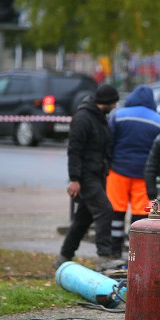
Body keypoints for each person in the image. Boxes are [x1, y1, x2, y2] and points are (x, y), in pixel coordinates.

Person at [53, 84, 126, 272]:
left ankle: (63, 257)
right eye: (114, 102)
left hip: (98, 174)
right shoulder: (83, 119)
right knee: (105, 210)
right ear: (107, 102)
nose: (115, 106)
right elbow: (74, 151)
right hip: (86, 177)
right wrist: (75, 179)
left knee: (82, 220)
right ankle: (104, 258)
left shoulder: (100, 118)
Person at [106, 85, 160, 259]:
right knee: (139, 216)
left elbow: (108, 143)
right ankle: (135, 254)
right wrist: (156, 172)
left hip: (117, 172)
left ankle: (114, 252)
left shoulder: (117, 116)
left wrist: (109, 164)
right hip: (143, 176)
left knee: (116, 213)